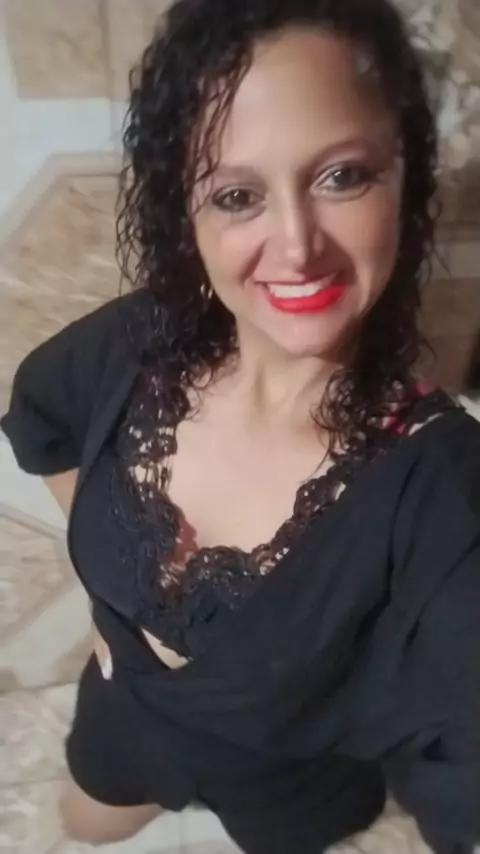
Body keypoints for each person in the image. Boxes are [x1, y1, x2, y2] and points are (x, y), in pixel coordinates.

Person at [2, 0, 480, 851]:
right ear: (187, 213)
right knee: (84, 826)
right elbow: (42, 416)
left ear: (404, 178)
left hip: (290, 792)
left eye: (342, 176)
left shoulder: (445, 500)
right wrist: (112, 603)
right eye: (236, 195)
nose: (295, 246)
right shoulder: (136, 346)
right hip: (124, 719)